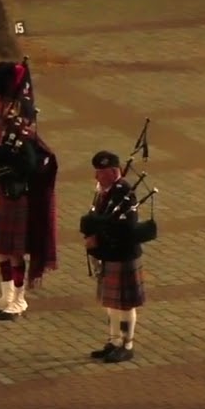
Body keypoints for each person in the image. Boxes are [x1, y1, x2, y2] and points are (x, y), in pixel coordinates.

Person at [0, 60, 59, 320]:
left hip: (15, 194)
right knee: (1, 249)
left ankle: (19, 300)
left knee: (14, 252)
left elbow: (28, 166)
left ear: (7, 101)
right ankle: (6, 295)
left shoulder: (20, 130)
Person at [81, 151, 146, 363]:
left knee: (125, 304)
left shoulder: (125, 193)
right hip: (110, 253)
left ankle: (127, 344)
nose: (96, 176)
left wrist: (98, 235)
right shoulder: (105, 191)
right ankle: (114, 341)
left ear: (113, 171)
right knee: (112, 303)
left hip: (123, 254)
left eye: (100, 172)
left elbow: (126, 226)